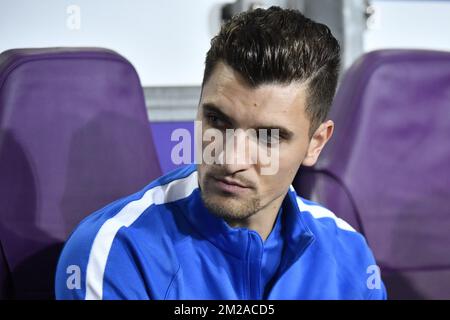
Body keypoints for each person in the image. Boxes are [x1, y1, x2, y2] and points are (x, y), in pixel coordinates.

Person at [55, 6, 387, 300]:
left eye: (267, 137)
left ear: (316, 143)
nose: (230, 159)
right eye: (217, 120)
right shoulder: (116, 253)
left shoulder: (351, 259)